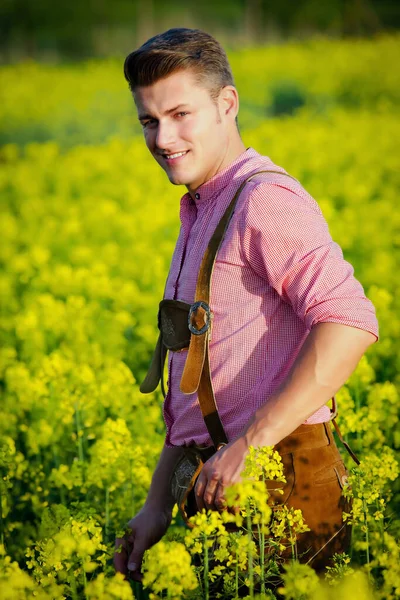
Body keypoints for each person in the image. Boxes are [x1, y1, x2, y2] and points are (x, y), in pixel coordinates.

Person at [114, 27, 379, 586]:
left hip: (283, 478)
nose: (163, 138)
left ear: (226, 103)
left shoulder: (264, 200)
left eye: (181, 114)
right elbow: (198, 377)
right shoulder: (202, 205)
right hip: (225, 476)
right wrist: (158, 503)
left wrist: (250, 446)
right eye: (148, 120)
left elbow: (349, 321)